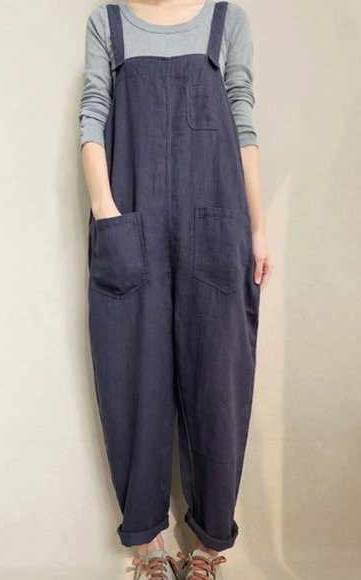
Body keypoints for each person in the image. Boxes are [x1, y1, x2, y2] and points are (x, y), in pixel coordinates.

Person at [79, 1, 273, 577]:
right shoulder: (108, 23)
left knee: (219, 381)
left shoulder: (227, 21)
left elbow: (242, 120)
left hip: (215, 222)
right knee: (131, 376)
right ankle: (148, 546)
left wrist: (258, 227)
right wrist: (106, 211)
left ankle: (209, 545)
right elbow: (93, 114)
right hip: (130, 220)